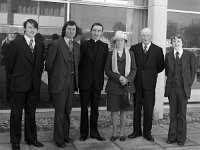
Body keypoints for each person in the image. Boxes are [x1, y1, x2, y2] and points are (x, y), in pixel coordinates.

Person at [6, 19, 45, 150]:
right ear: (24, 29)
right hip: (19, 84)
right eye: (30, 27)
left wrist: (37, 80)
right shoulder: (16, 43)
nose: (32, 30)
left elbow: (39, 66)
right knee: (16, 114)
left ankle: (31, 139)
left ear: (37, 30)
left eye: (34, 27)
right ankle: (15, 141)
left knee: (31, 113)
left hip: (33, 85)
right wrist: (17, 77)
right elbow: (9, 65)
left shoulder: (40, 44)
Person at [45, 21, 80, 148]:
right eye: (69, 29)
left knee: (67, 111)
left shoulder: (76, 45)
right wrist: (55, 78)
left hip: (71, 84)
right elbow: (49, 64)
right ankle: (58, 139)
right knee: (59, 112)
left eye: (74, 29)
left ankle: (65, 135)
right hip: (59, 83)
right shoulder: (56, 43)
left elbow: (77, 64)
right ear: (64, 30)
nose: (72, 31)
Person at [128, 28, 164, 141]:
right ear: (140, 36)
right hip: (137, 83)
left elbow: (160, 66)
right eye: (143, 35)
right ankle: (136, 131)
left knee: (148, 109)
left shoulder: (158, 50)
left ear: (151, 36)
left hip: (150, 84)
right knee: (137, 108)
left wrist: (150, 74)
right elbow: (130, 65)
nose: (145, 37)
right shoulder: (134, 48)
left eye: (147, 35)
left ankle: (147, 133)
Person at [165, 34, 197, 146]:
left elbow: (193, 72)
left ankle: (181, 138)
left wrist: (187, 84)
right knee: (172, 113)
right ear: (171, 43)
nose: (176, 43)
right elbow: (167, 72)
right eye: (174, 41)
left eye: (178, 41)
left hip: (183, 89)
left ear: (182, 42)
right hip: (172, 89)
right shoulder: (168, 55)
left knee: (182, 114)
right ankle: (172, 137)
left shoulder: (190, 55)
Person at [78, 23, 109, 141]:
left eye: (99, 31)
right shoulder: (84, 45)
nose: (96, 32)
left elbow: (106, 65)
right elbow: (80, 64)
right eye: (94, 30)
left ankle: (94, 132)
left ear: (102, 33)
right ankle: (84, 133)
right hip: (85, 82)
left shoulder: (105, 46)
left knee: (95, 109)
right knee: (84, 108)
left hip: (97, 82)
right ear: (91, 31)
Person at [105, 31, 137, 141]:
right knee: (114, 110)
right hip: (114, 86)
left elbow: (134, 69)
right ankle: (114, 132)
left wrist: (127, 79)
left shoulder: (131, 54)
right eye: (117, 40)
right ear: (114, 42)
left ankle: (122, 132)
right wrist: (119, 78)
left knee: (124, 110)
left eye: (122, 40)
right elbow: (107, 70)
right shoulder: (110, 54)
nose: (119, 42)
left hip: (127, 87)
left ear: (125, 42)